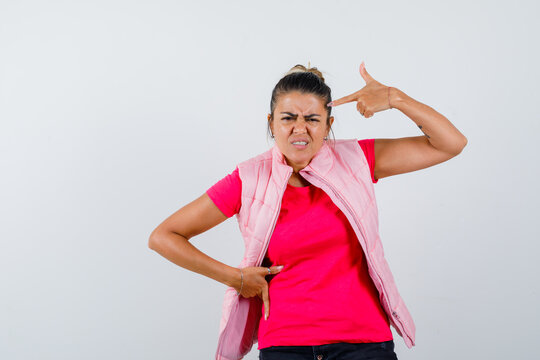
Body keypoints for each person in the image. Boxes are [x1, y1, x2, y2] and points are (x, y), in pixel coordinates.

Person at [148, 62, 467, 360]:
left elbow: (449, 143)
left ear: (328, 124)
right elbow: (164, 237)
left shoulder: (357, 158)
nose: (300, 128)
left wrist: (396, 98)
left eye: (312, 119)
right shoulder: (248, 179)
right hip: (286, 345)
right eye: (288, 118)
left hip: (364, 344)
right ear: (271, 123)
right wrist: (235, 277)